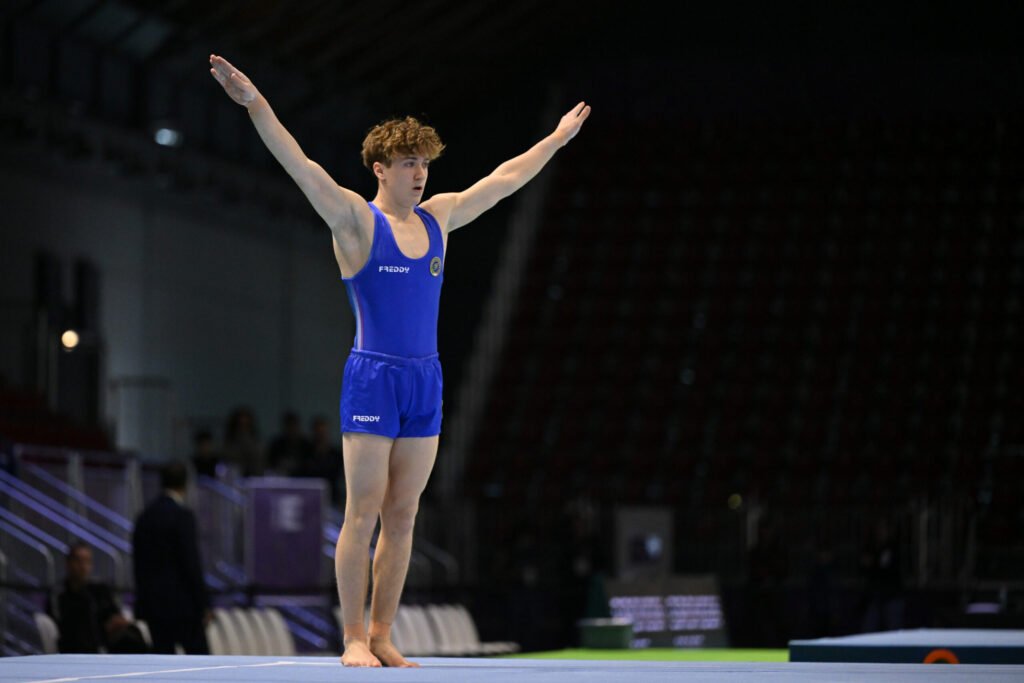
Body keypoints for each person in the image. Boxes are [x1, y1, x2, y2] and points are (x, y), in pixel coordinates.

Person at [210, 53, 589, 667]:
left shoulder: (440, 218)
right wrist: (255, 103)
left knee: (404, 513)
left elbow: (506, 179)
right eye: (410, 164)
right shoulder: (356, 222)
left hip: (425, 379)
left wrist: (555, 138)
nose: (420, 174)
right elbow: (299, 165)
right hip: (373, 377)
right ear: (381, 169)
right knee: (361, 512)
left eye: (426, 164)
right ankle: (353, 636)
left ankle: (384, 634)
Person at [131, 461, 212, 654]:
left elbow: (138, 565)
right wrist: (203, 604)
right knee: (200, 664)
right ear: (185, 484)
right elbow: (190, 563)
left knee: (162, 665)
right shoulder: (183, 516)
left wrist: (142, 602)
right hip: (184, 607)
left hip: (154, 607)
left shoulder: (144, 517)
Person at [47, 542, 148, 654]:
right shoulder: (59, 594)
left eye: (87, 561)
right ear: (68, 563)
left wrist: (115, 623)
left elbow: (114, 614)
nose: (83, 566)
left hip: (107, 642)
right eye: (78, 561)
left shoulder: (99, 589)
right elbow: (58, 624)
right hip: (76, 645)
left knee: (132, 636)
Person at [267, 410, 311, 476]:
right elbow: (271, 464)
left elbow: (309, 464)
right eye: (289, 426)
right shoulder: (277, 444)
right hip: (281, 479)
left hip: (302, 479)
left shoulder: (306, 445)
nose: (292, 429)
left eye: (294, 425)